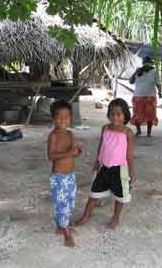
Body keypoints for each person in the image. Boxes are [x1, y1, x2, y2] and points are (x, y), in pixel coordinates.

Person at [75, 98, 134, 230]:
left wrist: (131, 172)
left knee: (120, 197)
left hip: (119, 170)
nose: (115, 117)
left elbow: (129, 154)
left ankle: (115, 218)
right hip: (103, 167)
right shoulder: (105, 128)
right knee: (94, 193)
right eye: (112, 113)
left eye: (119, 114)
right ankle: (86, 216)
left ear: (125, 115)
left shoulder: (127, 132)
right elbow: (102, 146)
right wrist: (97, 161)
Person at [47, 99, 83, 247]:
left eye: (66, 117)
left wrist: (77, 152)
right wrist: (70, 152)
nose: (63, 120)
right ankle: (66, 233)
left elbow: (72, 154)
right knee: (61, 205)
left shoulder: (70, 134)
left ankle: (61, 226)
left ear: (71, 118)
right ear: (53, 119)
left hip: (70, 176)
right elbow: (52, 156)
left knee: (69, 202)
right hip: (59, 177)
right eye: (59, 117)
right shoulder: (53, 135)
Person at [129, 56, 161, 137]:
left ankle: (149, 133)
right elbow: (130, 81)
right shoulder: (138, 71)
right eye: (145, 63)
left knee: (150, 115)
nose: (146, 65)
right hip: (139, 96)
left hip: (150, 96)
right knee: (137, 114)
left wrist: (160, 92)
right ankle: (139, 131)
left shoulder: (154, 71)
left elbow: (158, 83)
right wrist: (135, 72)